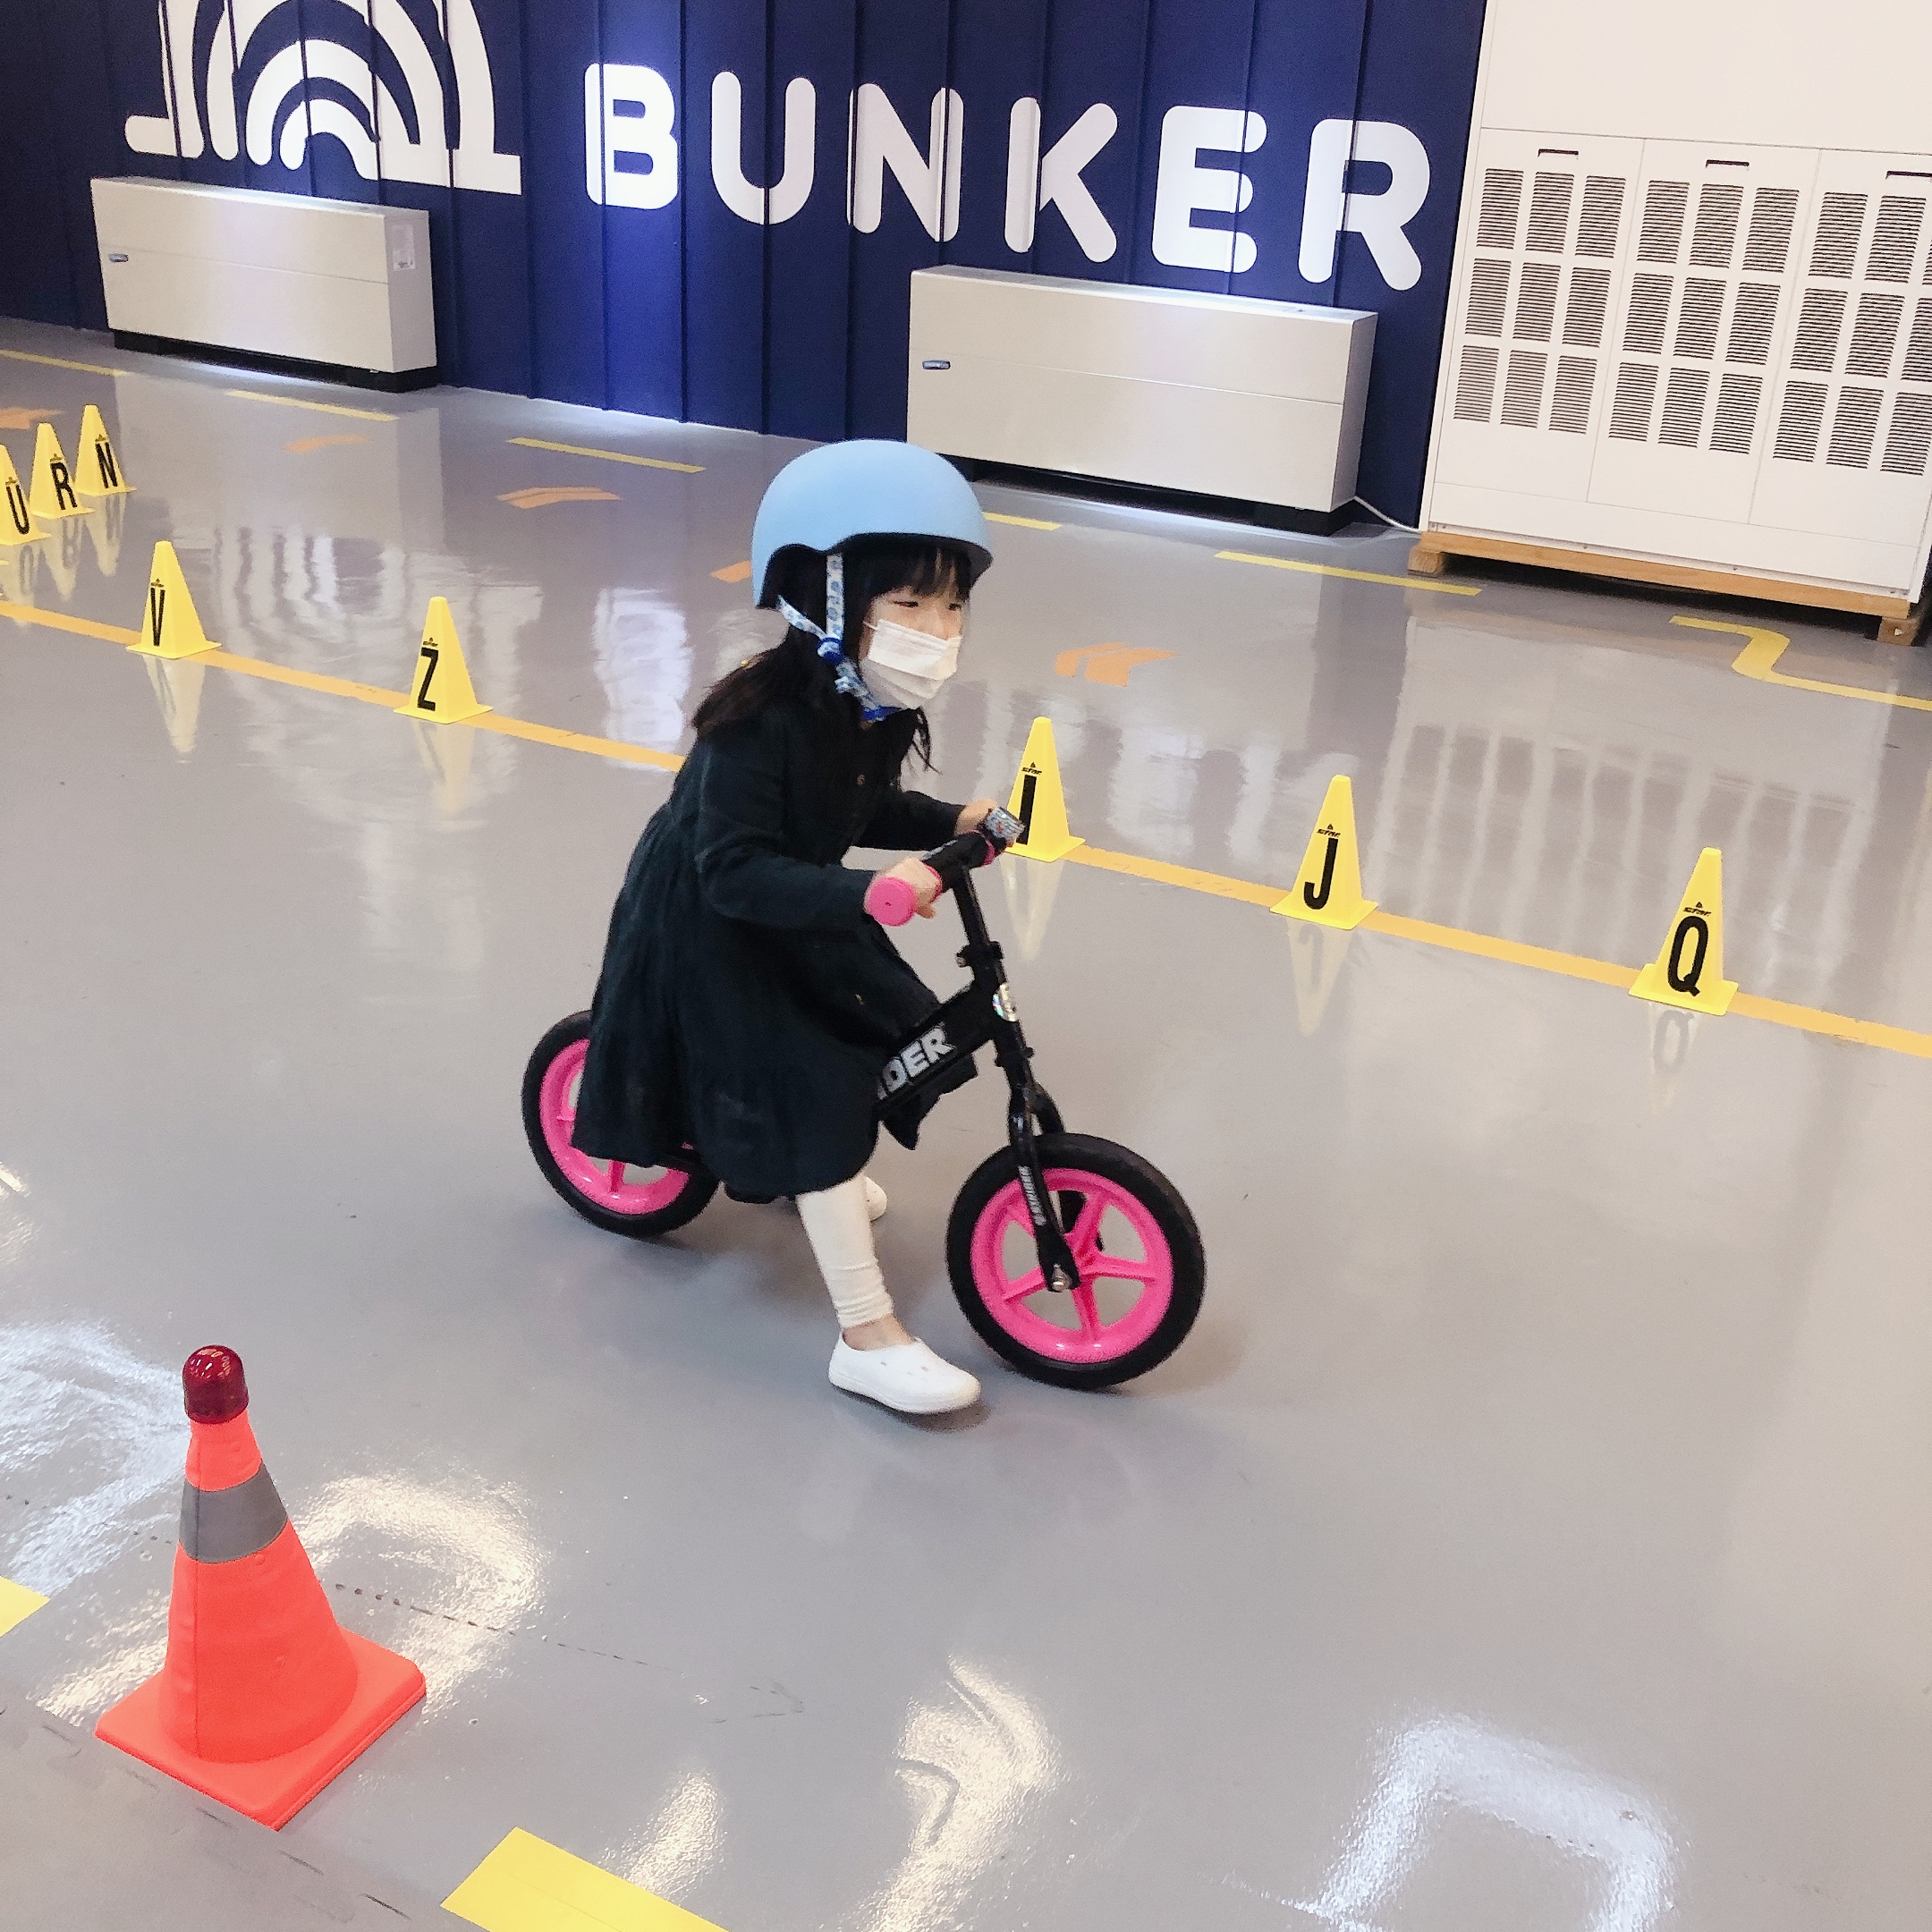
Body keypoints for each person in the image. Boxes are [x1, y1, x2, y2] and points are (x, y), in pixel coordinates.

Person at [572, 441, 1000, 1415]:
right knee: (809, 1095)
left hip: (795, 899)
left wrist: (950, 822)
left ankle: (813, 1176)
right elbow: (731, 869)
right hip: (713, 917)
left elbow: (852, 806)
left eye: (953, 607)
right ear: (826, 595)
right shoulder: (757, 720)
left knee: (875, 1032)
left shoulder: (865, 703)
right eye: (911, 604)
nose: (939, 631)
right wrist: (867, 894)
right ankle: (866, 1335)